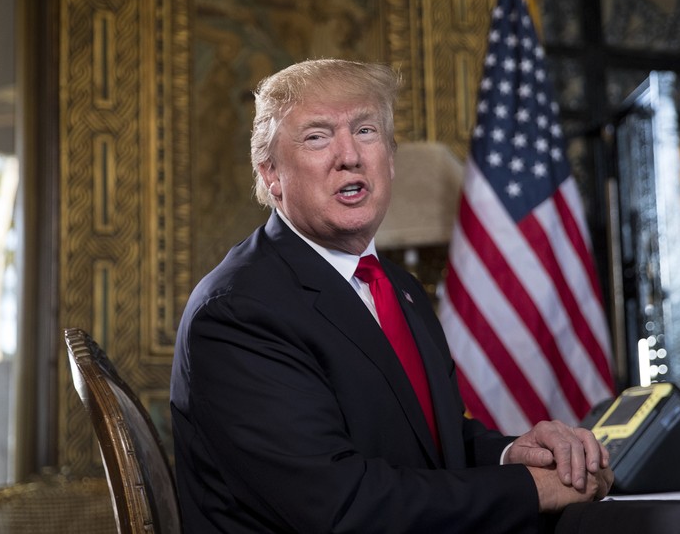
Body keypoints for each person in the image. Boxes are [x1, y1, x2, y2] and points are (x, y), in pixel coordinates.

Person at [170, 58, 613, 533]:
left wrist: (512, 453)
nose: (350, 155)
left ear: (390, 158)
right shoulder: (240, 310)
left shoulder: (399, 290)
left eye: (365, 131)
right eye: (317, 137)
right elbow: (343, 506)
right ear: (272, 175)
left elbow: (426, 442)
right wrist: (533, 489)